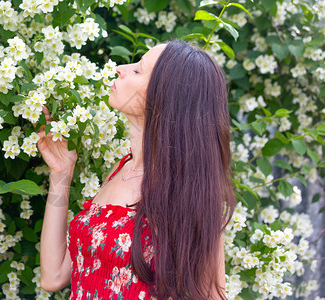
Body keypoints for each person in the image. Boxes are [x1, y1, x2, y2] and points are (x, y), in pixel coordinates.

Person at [37, 40, 236, 299]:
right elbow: (54, 275)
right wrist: (61, 174)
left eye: (138, 70)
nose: (120, 68)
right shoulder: (120, 170)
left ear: (167, 97)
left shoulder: (186, 193)